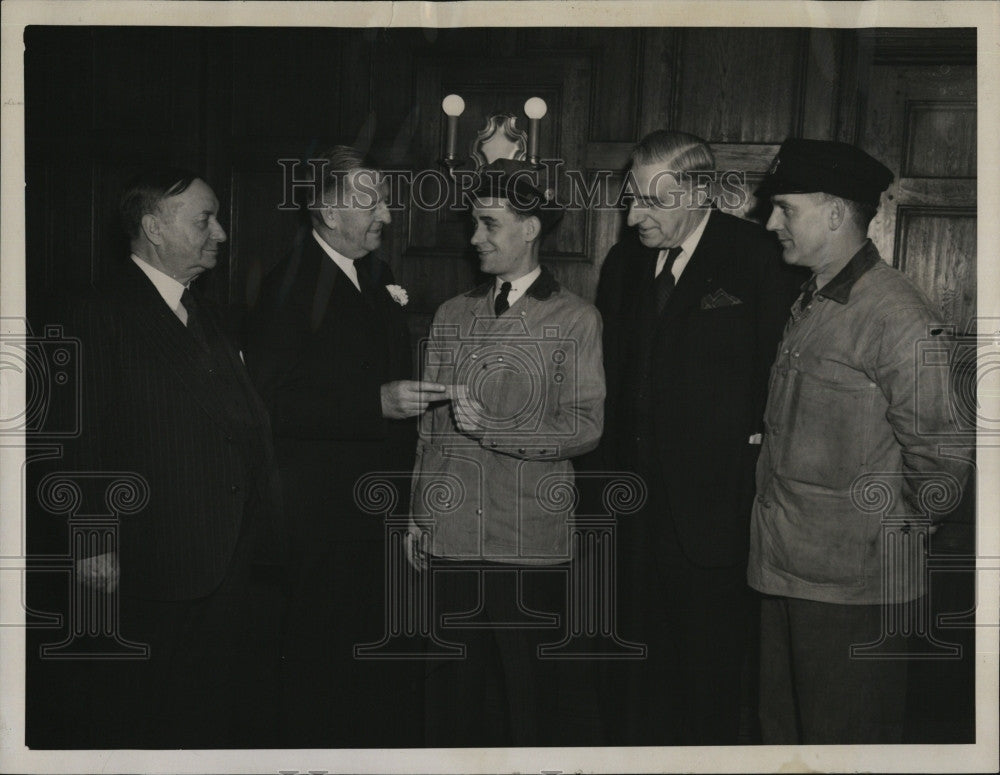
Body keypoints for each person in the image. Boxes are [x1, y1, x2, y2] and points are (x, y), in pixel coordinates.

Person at [748, 138, 969, 743]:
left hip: (852, 589)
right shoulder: (815, 299)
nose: (771, 223)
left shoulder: (894, 313)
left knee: (846, 744)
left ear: (837, 212)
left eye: (785, 208)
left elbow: (943, 462)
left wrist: (886, 540)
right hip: (783, 569)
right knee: (786, 740)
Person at [60, 169, 285, 747]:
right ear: (153, 227)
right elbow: (77, 433)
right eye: (205, 219)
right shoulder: (98, 310)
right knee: (142, 719)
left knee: (205, 714)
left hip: (225, 555)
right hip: (151, 559)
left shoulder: (202, 309)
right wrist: (93, 542)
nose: (223, 234)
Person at [592, 130, 802, 744]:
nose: (634, 216)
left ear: (698, 191)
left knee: (708, 687)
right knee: (632, 685)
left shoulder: (758, 256)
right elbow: (610, 376)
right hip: (631, 518)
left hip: (715, 522)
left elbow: (778, 382)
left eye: (652, 202)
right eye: (632, 198)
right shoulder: (624, 263)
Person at [244, 145, 441, 747]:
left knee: (372, 661)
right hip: (322, 517)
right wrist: (371, 404)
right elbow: (267, 406)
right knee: (322, 667)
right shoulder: (288, 286)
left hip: (375, 507)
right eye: (371, 200)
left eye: (383, 198)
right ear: (327, 212)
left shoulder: (375, 276)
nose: (386, 212)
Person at [408, 159, 605, 746]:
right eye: (474, 224)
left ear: (530, 228)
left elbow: (587, 425)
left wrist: (497, 429)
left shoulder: (575, 318)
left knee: (529, 702)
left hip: (527, 542)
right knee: (452, 700)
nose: (475, 239)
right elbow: (430, 429)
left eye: (489, 225)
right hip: (452, 539)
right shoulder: (451, 314)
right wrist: (419, 514)